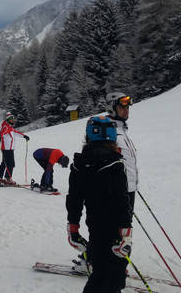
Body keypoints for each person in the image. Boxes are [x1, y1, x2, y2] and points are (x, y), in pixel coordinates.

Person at [66, 115, 133, 293]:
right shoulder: (115, 164)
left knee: (99, 274)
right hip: (114, 233)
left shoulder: (80, 164)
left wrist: (73, 227)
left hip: (95, 229)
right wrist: (126, 232)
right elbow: (121, 201)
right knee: (113, 279)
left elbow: (74, 198)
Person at [0, 112, 29, 185]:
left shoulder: (10, 127)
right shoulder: (6, 127)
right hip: (7, 149)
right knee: (10, 164)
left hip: (9, 149)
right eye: (11, 119)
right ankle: (7, 178)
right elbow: (1, 133)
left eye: (13, 119)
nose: (13, 120)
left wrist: (24, 136)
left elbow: (16, 133)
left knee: (4, 163)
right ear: (8, 120)